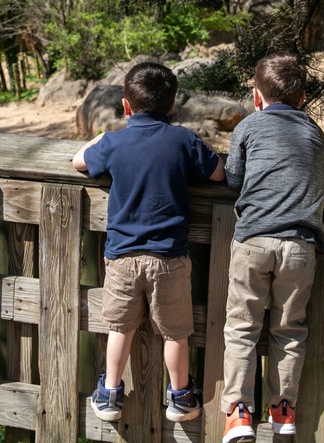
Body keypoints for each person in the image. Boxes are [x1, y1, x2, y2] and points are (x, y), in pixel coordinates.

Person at [72, 61, 226, 423]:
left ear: (126, 105)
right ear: (172, 105)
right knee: (176, 333)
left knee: (120, 327)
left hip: (122, 257)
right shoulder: (183, 140)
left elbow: (79, 161)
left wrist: (100, 137)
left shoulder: (113, 142)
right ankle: (182, 397)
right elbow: (218, 173)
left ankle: (110, 392)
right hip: (169, 257)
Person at [220, 53, 324, 442]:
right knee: (290, 329)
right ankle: (282, 410)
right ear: (302, 99)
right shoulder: (314, 132)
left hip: (253, 239)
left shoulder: (248, 127)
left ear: (256, 96)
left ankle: (238, 413)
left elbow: (234, 179)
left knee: (241, 328)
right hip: (300, 245)